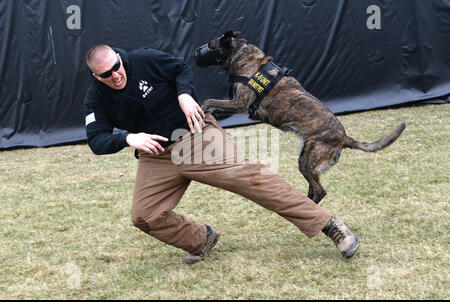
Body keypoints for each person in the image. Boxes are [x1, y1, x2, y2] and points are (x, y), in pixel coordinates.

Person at [83, 44, 360, 264]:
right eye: (106, 74)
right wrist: (128, 137)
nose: (116, 75)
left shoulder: (143, 59)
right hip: (157, 156)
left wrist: (184, 94)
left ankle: (328, 224)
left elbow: (180, 70)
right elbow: (96, 140)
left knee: (253, 179)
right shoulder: (96, 98)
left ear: (120, 58)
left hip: (196, 136)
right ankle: (201, 240)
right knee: (144, 216)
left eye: (117, 67)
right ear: (97, 76)